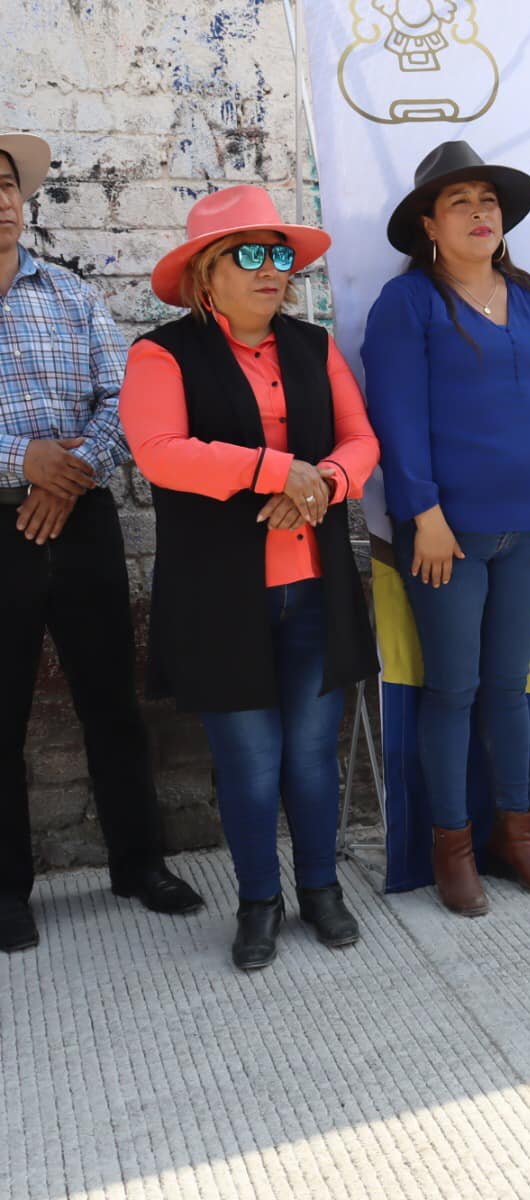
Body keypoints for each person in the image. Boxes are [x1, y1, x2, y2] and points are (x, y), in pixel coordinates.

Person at [120, 185, 379, 970]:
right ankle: (258, 900)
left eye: (280, 256)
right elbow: (159, 451)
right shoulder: (162, 354)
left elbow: (360, 439)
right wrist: (276, 470)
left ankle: (321, 889)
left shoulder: (313, 345)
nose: (274, 270)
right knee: (250, 762)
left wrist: (324, 484)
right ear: (206, 275)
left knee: (309, 754)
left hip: (314, 587)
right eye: (251, 254)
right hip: (218, 598)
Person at [363, 141, 530, 917]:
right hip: (445, 538)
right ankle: (451, 846)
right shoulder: (410, 305)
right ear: (429, 222)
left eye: (488, 201)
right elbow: (395, 416)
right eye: (459, 202)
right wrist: (421, 513)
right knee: (452, 692)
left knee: (508, 690)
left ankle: (515, 835)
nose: (479, 213)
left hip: (529, 528)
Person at [0, 131, 203, 955]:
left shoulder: (70, 294)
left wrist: (69, 471)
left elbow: (122, 396)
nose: (0, 201)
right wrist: (21, 462)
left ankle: (138, 861)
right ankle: (9, 888)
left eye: (6, 185)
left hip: (80, 518)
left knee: (112, 702)